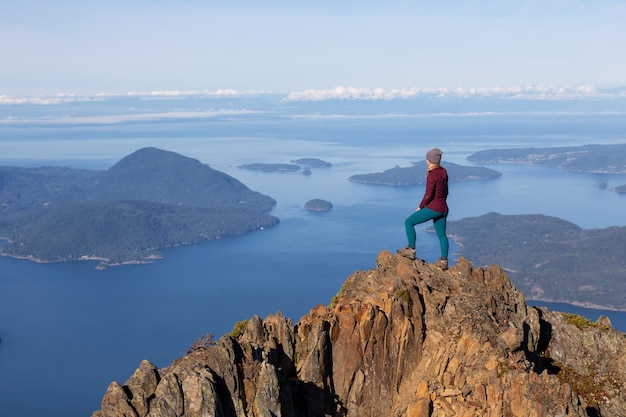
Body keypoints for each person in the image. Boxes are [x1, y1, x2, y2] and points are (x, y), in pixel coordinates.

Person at [397, 147, 449, 270]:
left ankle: (411, 250)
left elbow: (428, 194)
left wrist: (421, 207)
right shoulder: (443, 171)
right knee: (442, 235)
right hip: (444, 208)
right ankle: (444, 262)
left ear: (429, 161)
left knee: (408, 222)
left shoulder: (432, 175)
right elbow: (445, 191)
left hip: (434, 208)